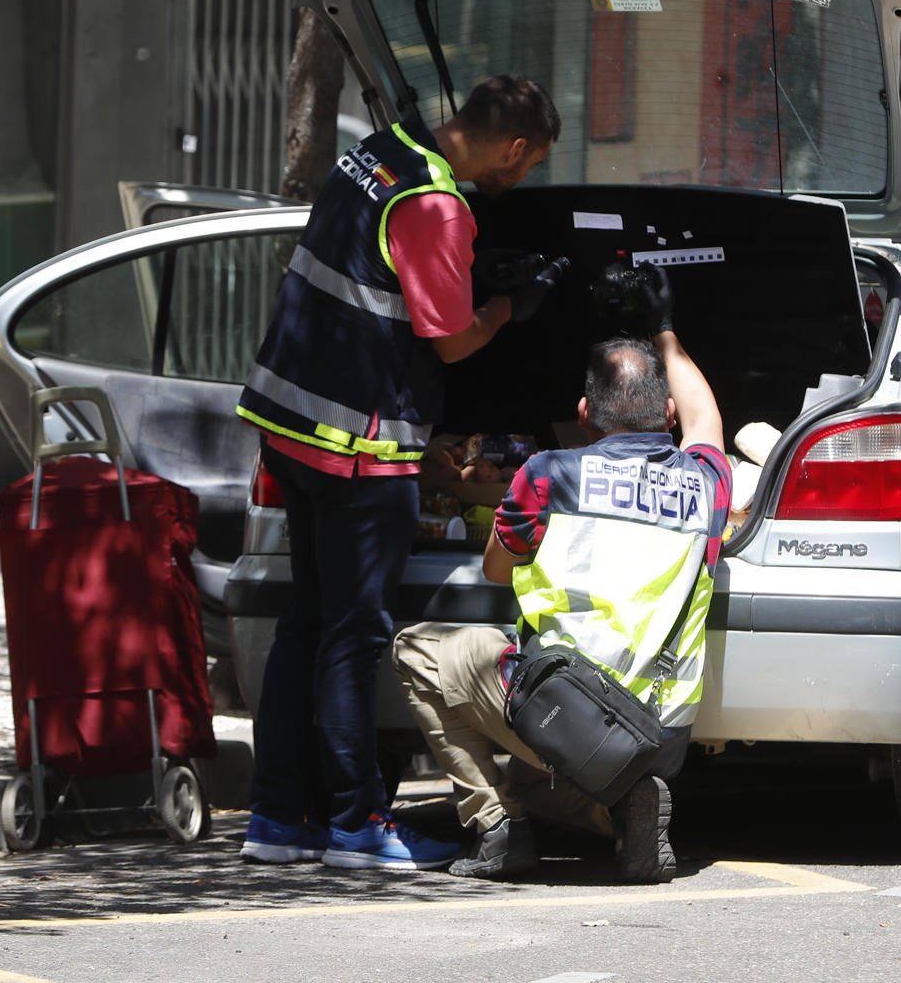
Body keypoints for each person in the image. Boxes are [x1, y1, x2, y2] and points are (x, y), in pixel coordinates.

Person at [234, 76, 564, 871]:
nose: (520, 182)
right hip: (360, 452)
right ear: (514, 147)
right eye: (529, 166)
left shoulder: (377, 156)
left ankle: (278, 817)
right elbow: (450, 339)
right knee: (354, 638)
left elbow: (372, 287)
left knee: (304, 625)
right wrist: (515, 306)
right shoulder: (437, 205)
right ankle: (356, 825)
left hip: (290, 427)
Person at [392, 332, 730, 882]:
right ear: (667, 413)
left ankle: (496, 829)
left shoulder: (549, 474)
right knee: (540, 778)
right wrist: (666, 332)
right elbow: (707, 418)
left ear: (582, 414)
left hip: (574, 720)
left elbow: (495, 570)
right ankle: (622, 809)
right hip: (660, 737)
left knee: (417, 650)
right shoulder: (706, 483)